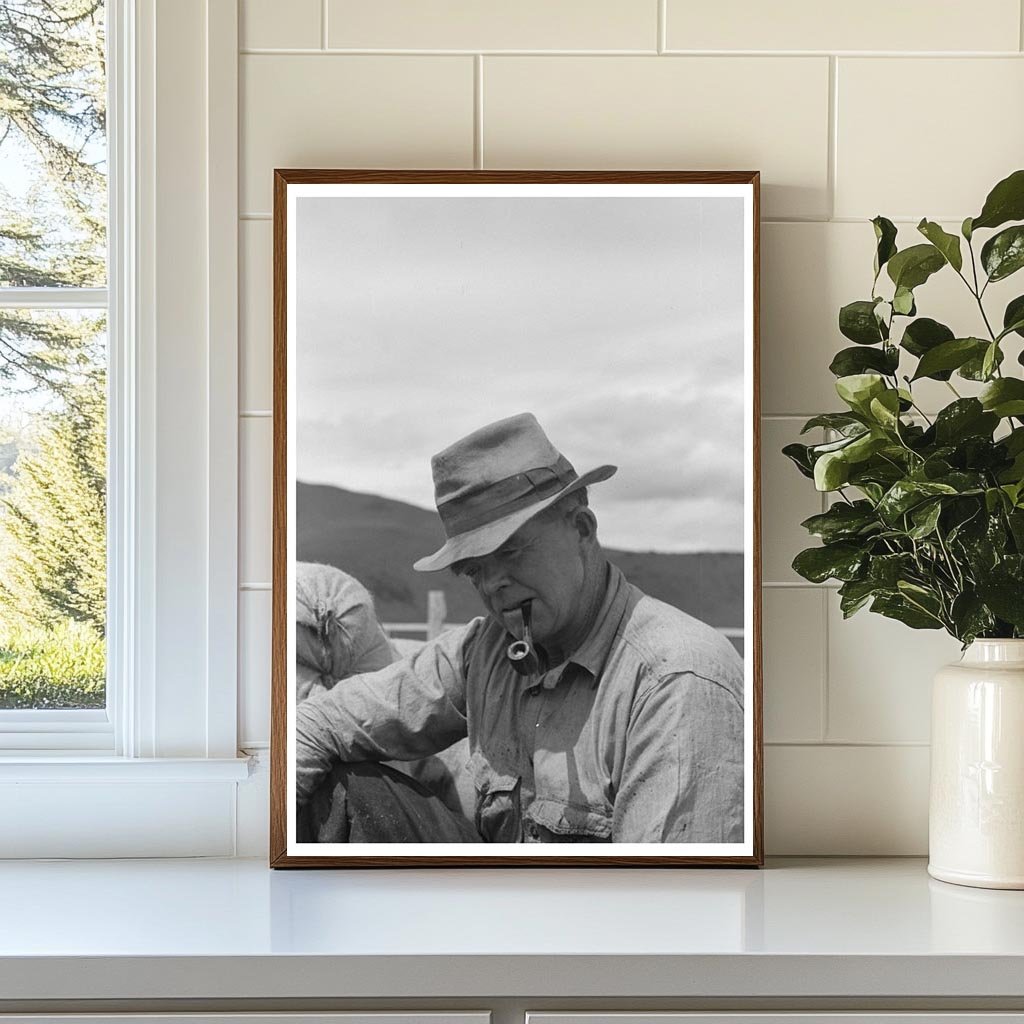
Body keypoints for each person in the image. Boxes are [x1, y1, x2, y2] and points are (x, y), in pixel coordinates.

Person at [295, 412, 745, 844]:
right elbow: (321, 723)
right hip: (495, 905)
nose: (492, 584)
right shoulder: (485, 650)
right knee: (345, 793)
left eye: (511, 552)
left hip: (598, 915)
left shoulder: (676, 680)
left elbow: (671, 898)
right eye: (474, 570)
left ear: (582, 529)